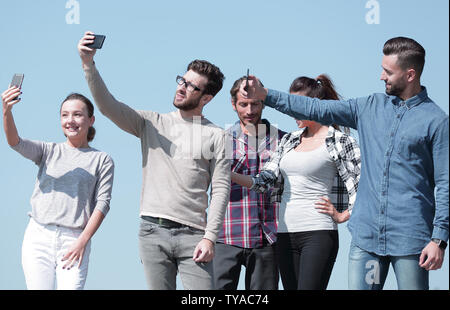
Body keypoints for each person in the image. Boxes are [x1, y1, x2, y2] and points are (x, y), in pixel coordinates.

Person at [240, 37, 449, 290]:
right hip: (366, 237)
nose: (381, 76)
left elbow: (445, 183)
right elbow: (315, 108)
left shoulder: (436, 121)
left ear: (410, 75)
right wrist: (265, 95)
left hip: (411, 238)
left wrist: (439, 239)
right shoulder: (369, 107)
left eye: (388, 72)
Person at [78, 31, 230, 290]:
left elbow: (221, 189)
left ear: (207, 98)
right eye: (182, 79)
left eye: (191, 86)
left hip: (194, 236)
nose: (181, 87)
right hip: (151, 232)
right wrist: (88, 64)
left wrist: (210, 238)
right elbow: (107, 106)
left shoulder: (217, 135)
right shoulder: (151, 123)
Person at [231, 74, 361, 289]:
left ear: (313, 106)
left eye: (296, 105)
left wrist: (344, 214)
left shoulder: (340, 141)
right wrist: (229, 174)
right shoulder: (289, 140)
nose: (292, 112)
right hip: (284, 234)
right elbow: (263, 182)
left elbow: (364, 183)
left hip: (318, 232)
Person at [2, 88, 114, 290]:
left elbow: (103, 204)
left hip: (75, 239)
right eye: (65, 115)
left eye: (77, 114)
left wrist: (82, 241)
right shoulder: (48, 151)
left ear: (91, 120)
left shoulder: (102, 160)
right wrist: (6, 111)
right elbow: (15, 142)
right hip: (38, 235)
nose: (70, 120)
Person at [213, 76, 286, 290]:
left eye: (255, 103)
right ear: (233, 104)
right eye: (243, 104)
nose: (249, 110)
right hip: (225, 234)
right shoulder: (219, 140)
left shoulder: (283, 140)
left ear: (263, 102)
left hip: (268, 237)